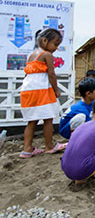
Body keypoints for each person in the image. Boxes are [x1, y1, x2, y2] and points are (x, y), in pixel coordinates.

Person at [19, 28, 66, 158]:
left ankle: (27, 149)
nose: (56, 48)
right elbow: (51, 74)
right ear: (44, 41)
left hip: (27, 91)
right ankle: (49, 146)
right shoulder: (47, 55)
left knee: (31, 121)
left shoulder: (32, 55)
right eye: (55, 44)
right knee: (48, 118)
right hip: (41, 91)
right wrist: (56, 90)